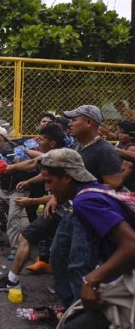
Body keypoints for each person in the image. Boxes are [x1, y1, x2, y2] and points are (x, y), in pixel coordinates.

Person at [41, 149, 135, 329]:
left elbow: (131, 244)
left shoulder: (85, 201)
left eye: (49, 181)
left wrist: (91, 280)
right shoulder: (96, 190)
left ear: (67, 178)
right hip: (123, 277)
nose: (47, 188)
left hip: (129, 280)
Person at [48, 105, 123, 307]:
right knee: (58, 255)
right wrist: (57, 196)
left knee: (79, 264)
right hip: (72, 210)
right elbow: (66, 178)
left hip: (90, 214)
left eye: (75, 119)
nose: (70, 123)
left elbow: (114, 184)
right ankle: (68, 302)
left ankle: (81, 309)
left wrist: (84, 192)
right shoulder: (77, 148)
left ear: (89, 122)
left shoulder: (105, 151)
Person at [0, 123, 66, 291]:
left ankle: (71, 289)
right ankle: (13, 279)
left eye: (42, 139)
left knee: (64, 247)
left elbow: (34, 165)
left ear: (51, 143)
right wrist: (20, 174)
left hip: (69, 208)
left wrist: (33, 200)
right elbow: (34, 164)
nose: (38, 141)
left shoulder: (63, 157)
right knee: (33, 238)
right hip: (57, 204)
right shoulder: (51, 155)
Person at [0, 126, 35, 260]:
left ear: (2, 136)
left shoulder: (8, 148)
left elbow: (17, 164)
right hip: (5, 188)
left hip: (18, 188)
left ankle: (17, 249)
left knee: (13, 217)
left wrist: (6, 169)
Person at [115, 120, 135, 191]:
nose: (120, 135)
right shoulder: (121, 145)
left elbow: (127, 169)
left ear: (131, 136)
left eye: (123, 133)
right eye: (119, 132)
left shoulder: (131, 148)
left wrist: (115, 184)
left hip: (128, 187)